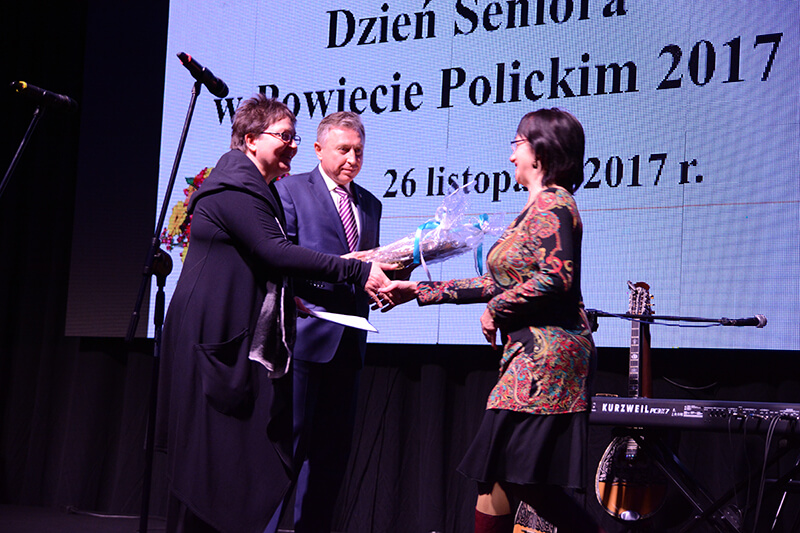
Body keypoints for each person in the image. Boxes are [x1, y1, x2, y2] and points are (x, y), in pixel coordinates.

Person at [155, 94, 394, 533]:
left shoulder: (253, 186)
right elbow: (274, 250)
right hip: (215, 336)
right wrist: (356, 271)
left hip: (238, 333)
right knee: (217, 460)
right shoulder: (236, 186)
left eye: (294, 137)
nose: (293, 145)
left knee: (233, 459)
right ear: (251, 139)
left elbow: (260, 261)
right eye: (285, 136)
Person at [380, 109, 604, 533]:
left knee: (522, 478)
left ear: (539, 150)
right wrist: (417, 291)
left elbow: (557, 277)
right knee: (497, 474)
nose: (511, 156)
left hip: (549, 357)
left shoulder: (554, 203)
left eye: (516, 144)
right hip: (528, 356)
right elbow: (494, 283)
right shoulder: (533, 208)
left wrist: (497, 309)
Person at [264, 111, 381, 533]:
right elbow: (282, 258)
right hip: (303, 340)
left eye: (358, 152)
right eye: (343, 149)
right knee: (287, 450)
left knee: (331, 457)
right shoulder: (290, 190)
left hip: (349, 345)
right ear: (317, 149)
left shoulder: (370, 204)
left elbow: (366, 268)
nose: (352, 159)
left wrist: (388, 278)